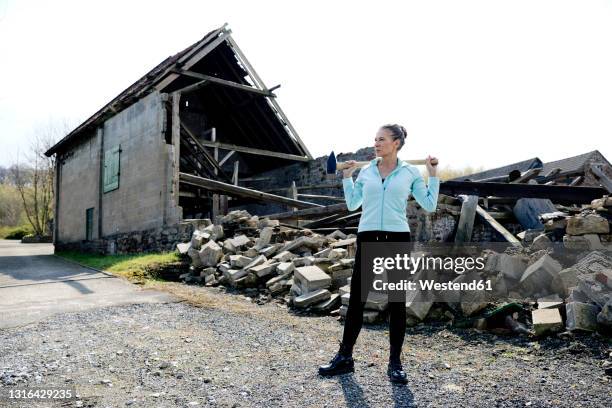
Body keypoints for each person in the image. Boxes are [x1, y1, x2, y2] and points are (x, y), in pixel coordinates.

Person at [318, 124, 440, 384]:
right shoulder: (366, 171)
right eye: (374, 139)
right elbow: (353, 204)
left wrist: (433, 174)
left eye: (381, 139)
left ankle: (395, 363)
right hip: (368, 236)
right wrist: (347, 177)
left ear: (396, 143)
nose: (376, 143)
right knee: (357, 301)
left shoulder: (410, 173)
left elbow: (429, 204)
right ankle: (344, 358)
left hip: (397, 239)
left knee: (396, 303)